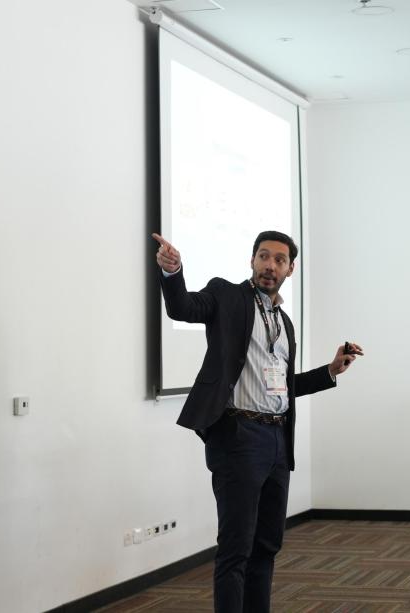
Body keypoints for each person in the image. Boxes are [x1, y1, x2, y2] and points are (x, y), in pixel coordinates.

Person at [153, 230, 363, 613]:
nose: (270, 265)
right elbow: (182, 307)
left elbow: (284, 386)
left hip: (278, 441)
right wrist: (173, 271)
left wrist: (330, 371)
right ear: (252, 260)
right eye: (264, 256)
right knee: (236, 549)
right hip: (238, 437)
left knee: (266, 547)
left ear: (290, 269)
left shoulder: (285, 323)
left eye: (279, 260)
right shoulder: (226, 295)